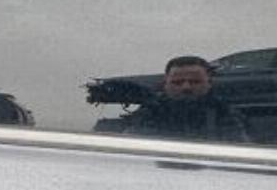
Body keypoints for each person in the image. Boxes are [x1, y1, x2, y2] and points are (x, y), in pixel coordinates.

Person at [98, 56, 249, 143]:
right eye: (177, 82)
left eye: (195, 82)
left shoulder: (225, 113)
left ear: (209, 83)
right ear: (165, 84)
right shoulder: (149, 112)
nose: (186, 87)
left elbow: (239, 150)